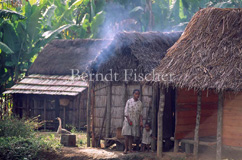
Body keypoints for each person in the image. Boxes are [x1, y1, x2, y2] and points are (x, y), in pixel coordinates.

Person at [121, 89, 143, 154]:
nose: (137, 95)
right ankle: (126, 149)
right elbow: (126, 111)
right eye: (136, 94)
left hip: (135, 121)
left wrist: (141, 121)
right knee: (126, 135)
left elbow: (140, 114)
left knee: (132, 136)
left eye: (138, 94)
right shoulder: (129, 101)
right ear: (133, 94)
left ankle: (130, 149)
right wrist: (128, 120)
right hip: (128, 120)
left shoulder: (140, 103)